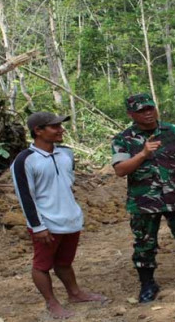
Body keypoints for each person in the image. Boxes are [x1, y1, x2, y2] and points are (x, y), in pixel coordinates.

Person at [111, 93, 175, 303]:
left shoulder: (173, 131)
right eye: (141, 110)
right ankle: (148, 284)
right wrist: (142, 154)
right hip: (144, 202)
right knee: (144, 243)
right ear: (131, 114)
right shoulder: (123, 138)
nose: (148, 113)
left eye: (150, 108)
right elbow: (120, 170)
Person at [11, 112, 106, 319]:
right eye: (55, 126)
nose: (61, 130)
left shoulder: (66, 154)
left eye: (60, 126)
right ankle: (52, 302)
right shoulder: (24, 160)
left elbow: (66, 184)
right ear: (38, 131)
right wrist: (38, 226)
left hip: (70, 219)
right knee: (42, 265)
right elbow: (25, 196)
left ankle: (75, 293)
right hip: (47, 223)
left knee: (64, 262)